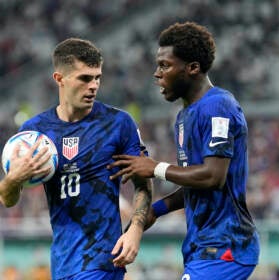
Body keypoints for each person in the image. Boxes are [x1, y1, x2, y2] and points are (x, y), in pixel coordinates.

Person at [107, 22, 260, 280]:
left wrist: (155, 168)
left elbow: (213, 176)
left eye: (165, 65)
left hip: (226, 246)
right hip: (203, 246)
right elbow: (197, 182)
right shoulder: (184, 116)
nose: (157, 74)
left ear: (192, 68)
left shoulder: (218, 106)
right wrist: (157, 209)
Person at [0, 38, 152, 280]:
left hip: (102, 260)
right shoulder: (34, 133)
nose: (93, 86)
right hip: (62, 262)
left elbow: (144, 184)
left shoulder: (118, 123)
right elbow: (7, 199)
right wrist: (13, 179)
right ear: (59, 79)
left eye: (97, 78)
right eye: (85, 78)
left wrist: (135, 229)